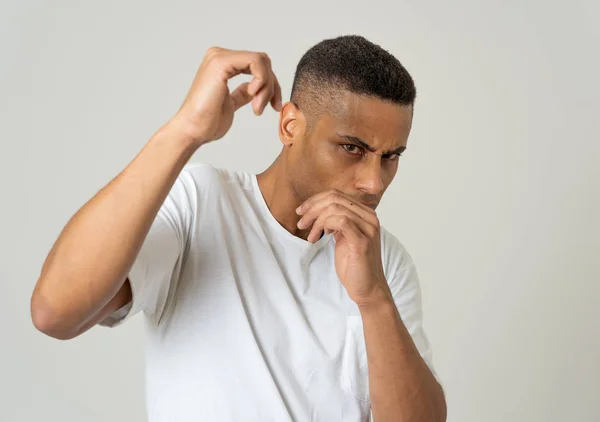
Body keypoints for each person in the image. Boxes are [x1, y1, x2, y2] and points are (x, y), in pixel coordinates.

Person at [31, 35, 446, 421]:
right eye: (352, 148)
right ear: (289, 127)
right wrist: (186, 130)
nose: (373, 182)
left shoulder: (384, 261)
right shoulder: (201, 203)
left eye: (390, 156)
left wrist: (373, 298)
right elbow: (56, 312)